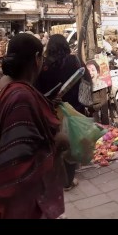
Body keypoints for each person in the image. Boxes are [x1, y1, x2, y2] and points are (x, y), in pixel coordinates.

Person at [0, 33, 67, 219]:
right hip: (21, 202)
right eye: (42, 57)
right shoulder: (21, 97)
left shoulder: (7, 84)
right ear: (37, 58)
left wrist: (45, 103)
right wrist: (57, 144)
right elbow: (19, 159)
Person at [35, 33, 91, 191]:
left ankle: (54, 179)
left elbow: (37, 89)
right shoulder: (75, 60)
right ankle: (68, 181)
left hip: (50, 111)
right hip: (74, 110)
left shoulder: (43, 66)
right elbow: (87, 80)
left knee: (54, 145)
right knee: (71, 146)